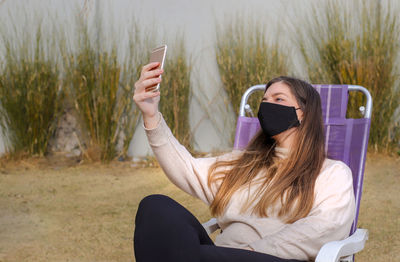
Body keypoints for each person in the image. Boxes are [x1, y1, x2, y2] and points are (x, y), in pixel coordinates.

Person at [132, 62, 355, 262]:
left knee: (184, 256)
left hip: (271, 258)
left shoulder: (331, 173)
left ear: (303, 114)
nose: (267, 106)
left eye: (278, 99)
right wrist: (151, 116)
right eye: (264, 100)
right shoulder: (243, 165)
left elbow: (326, 227)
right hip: (216, 256)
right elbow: (187, 169)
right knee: (155, 206)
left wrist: (253, 251)